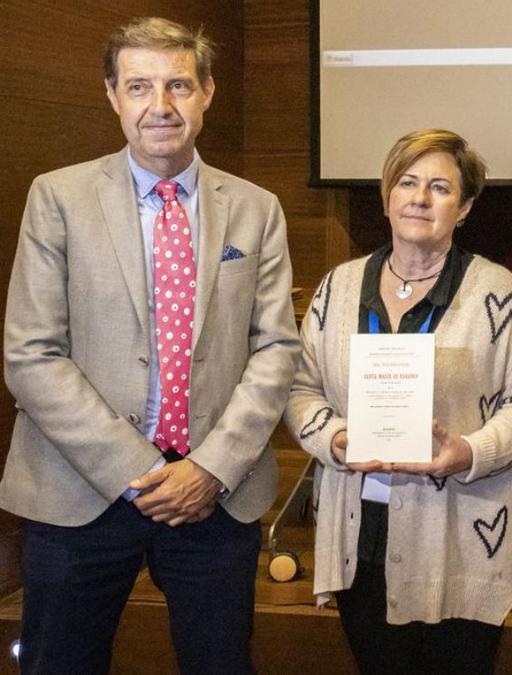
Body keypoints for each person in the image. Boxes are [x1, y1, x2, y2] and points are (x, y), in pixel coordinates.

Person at [1, 17, 300, 673]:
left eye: (177, 86)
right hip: (79, 490)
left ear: (207, 93)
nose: (159, 106)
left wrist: (209, 468)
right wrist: (138, 470)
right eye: (139, 87)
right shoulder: (58, 198)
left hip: (213, 493)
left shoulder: (257, 209)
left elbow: (277, 348)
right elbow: (31, 355)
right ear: (112, 95)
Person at [285, 128, 512, 674]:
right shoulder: (337, 287)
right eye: (406, 182)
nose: (420, 198)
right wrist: (335, 438)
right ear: (387, 196)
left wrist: (471, 451)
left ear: (466, 207)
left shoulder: (498, 293)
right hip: (360, 531)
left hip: (462, 528)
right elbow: (298, 385)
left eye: (439, 187)